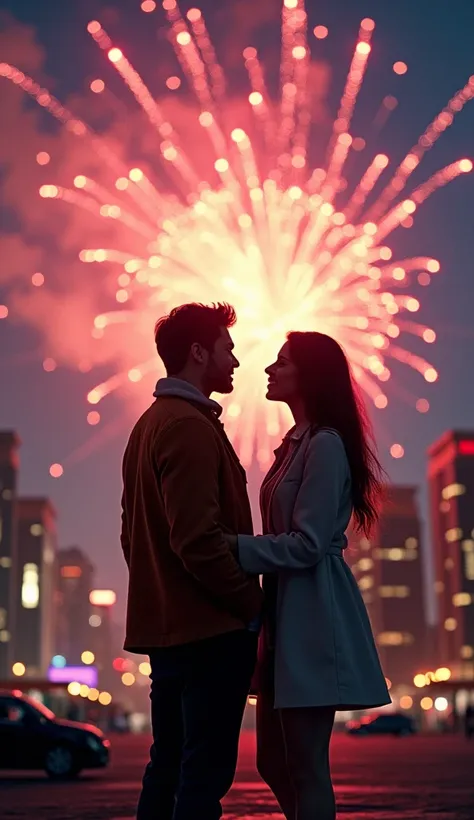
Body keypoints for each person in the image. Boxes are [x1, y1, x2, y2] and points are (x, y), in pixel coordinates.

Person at [226, 331, 391, 820]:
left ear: (310, 376)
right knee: (273, 761)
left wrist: (233, 549)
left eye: (282, 362)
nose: (269, 370)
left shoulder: (325, 446)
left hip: (313, 612)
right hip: (283, 612)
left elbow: (309, 543)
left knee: (304, 764)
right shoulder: (296, 444)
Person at [120, 302, 263, 820]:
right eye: (227, 349)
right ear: (199, 353)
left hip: (171, 633)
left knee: (169, 766)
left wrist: (163, 594)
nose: (236, 362)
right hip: (209, 634)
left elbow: (130, 537)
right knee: (202, 777)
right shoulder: (188, 426)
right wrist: (251, 606)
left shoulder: (147, 426)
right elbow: (199, 541)